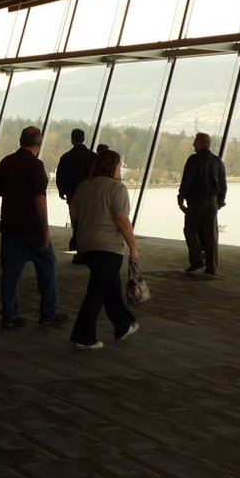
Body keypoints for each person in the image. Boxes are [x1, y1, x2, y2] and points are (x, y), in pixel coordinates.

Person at [0, 126, 68, 329]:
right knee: (48, 267)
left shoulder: (7, 162)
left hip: (10, 228)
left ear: (20, 140)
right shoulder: (35, 166)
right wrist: (46, 230)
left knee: (10, 273)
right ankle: (48, 312)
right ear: (38, 143)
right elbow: (39, 200)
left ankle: (9, 314)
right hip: (33, 229)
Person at [68, 149, 140, 349]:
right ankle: (83, 337)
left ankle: (124, 324)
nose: (120, 170)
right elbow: (122, 220)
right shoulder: (117, 188)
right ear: (113, 166)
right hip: (109, 247)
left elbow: (74, 214)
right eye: (119, 165)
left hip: (87, 246)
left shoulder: (84, 186)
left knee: (110, 287)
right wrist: (133, 246)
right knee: (97, 292)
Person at [177, 132, 227, 274]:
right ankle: (212, 266)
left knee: (190, 230)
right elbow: (223, 185)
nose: (193, 144)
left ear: (201, 143)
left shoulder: (193, 160)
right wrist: (220, 202)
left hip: (196, 202)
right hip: (212, 202)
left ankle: (197, 259)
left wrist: (181, 199)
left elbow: (186, 180)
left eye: (195, 142)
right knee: (211, 235)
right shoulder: (218, 161)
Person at [55, 128, 97, 262]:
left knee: (76, 222)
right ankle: (89, 251)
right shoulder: (93, 156)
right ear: (84, 138)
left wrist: (62, 191)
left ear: (72, 139)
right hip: (90, 195)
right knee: (89, 222)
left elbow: (60, 176)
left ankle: (79, 251)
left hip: (73, 195)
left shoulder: (66, 157)